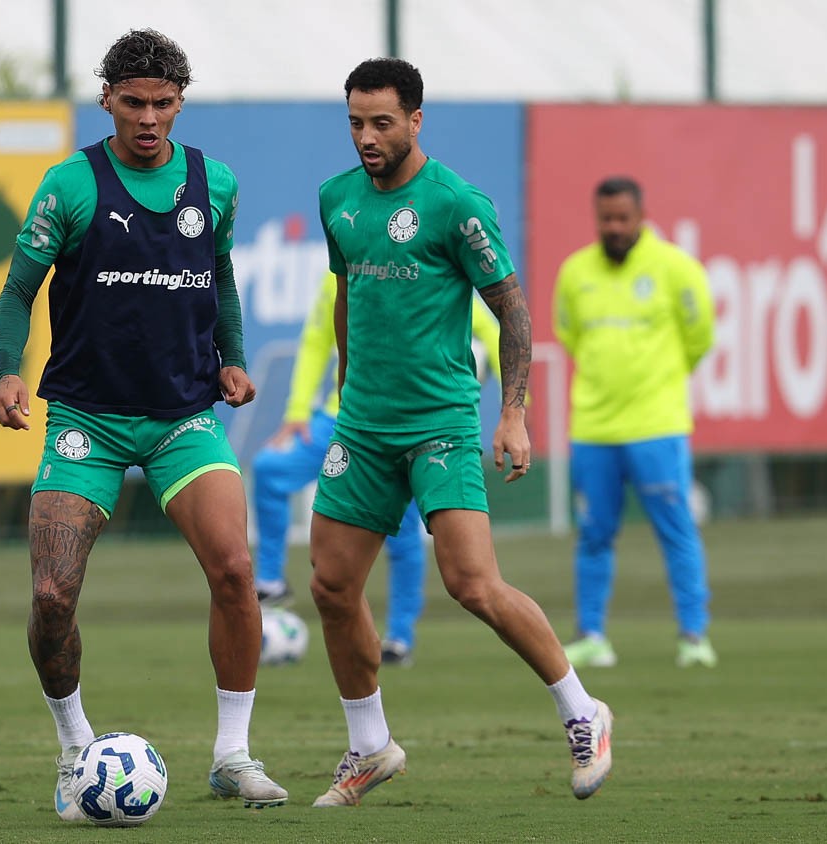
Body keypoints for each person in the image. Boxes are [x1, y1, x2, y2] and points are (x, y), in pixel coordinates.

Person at [0, 28, 288, 818]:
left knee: (234, 570)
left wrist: (232, 355)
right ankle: (75, 748)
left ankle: (232, 755)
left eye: (162, 104)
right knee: (52, 594)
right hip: (87, 418)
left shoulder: (212, 183)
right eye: (133, 103)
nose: (148, 119)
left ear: (179, 103)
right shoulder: (71, 185)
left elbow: (218, 275)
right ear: (108, 101)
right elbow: (19, 290)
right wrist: (7, 369)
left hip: (183, 418)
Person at [307, 57, 614, 808]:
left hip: (440, 423)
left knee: (471, 582)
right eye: (355, 121)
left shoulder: (456, 204)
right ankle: (370, 746)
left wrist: (512, 411)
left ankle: (584, 712)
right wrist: (347, 381)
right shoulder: (336, 200)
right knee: (331, 586)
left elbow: (512, 308)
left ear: (416, 120)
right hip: (365, 427)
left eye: (382, 122)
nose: (367, 137)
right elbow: (347, 294)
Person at [252, 269, 502, 666]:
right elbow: (318, 339)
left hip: (396, 423)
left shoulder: (422, 266)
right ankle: (270, 581)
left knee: (402, 534)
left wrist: (513, 408)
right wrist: (297, 410)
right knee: (269, 468)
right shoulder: (341, 269)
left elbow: (491, 330)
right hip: (340, 417)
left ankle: (400, 636)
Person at [553, 176, 718, 670]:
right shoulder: (575, 272)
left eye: (624, 218)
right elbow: (570, 334)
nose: (615, 227)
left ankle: (694, 637)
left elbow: (700, 336)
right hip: (595, 429)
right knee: (594, 532)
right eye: (607, 219)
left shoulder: (676, 269)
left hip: (657, 426)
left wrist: (660, 383)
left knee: (676, 528)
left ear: (642, 217)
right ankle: (591, 636)